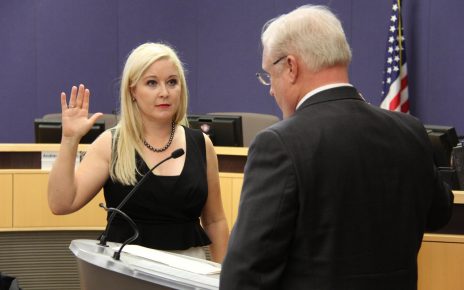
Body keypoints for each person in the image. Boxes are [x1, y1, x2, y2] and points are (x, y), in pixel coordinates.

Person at [220, 5, 454, 289]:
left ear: (291, 66)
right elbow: (439, 214)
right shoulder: (410, 130)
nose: (270, 89)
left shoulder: (279, 144)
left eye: (270, 75)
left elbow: (246, 273)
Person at [48, 42, 229, 263]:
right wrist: (69, 140)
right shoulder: (111, 144)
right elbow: (61, 204)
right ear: (133, 90)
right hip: (125, 269)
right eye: (152, 83)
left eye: (172, 82)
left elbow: (214, 220)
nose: (164, 92)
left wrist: (225, 277)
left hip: (188, 270)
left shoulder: (201, 144)